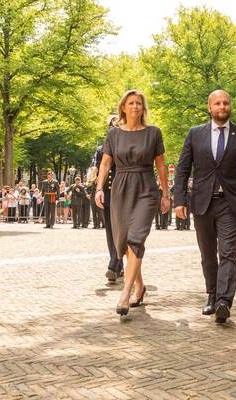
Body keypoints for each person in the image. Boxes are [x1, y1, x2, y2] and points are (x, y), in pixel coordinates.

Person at [173, 89, 236, 324]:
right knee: (207, 255)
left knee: (227, 252)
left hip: (230, 203)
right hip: (202, 202)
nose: (222, 107)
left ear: (229, 106)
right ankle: (212, 295)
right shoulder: (195, 134)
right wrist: (179, 200)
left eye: (225, 103)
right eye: (217, 103)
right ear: (209, 107)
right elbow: (183, 169)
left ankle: (224, 301)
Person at [95, 89, 170, 317]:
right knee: (124, 243)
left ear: (143, 108)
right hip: (120, 189)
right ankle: (140, 285)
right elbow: (106, 164)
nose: (135, 106)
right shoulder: (114, 135)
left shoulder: (154, 133)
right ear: (123, 108)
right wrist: (99, 189)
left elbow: (160, 165)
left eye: (139, 103)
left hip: (146, 188)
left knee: (136, 238)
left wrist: (166, 194)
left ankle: (125, 293)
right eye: (131, 103)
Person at [93, 115, 122, 282]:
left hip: (122, 191)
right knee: (110, 230)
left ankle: (113, 263)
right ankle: (117, 264)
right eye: (112, 125)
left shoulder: (124, 145)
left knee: (121, 229)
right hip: (107, 192)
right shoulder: (100, 149)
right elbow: (99, 170)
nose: (114, 127)